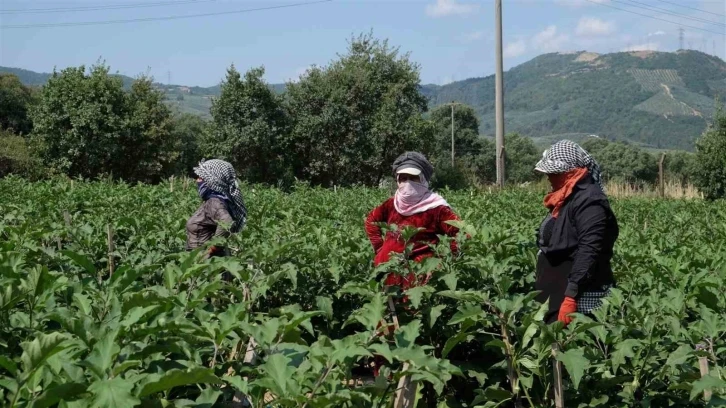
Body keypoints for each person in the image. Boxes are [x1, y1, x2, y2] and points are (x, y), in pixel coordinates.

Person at [534, 140, 619, 326]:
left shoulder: (590, 200)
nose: (548, 176)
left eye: (553, 172)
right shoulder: (567, 196)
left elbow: (589, 250)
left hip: (578, 295)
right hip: (557, 291)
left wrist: (571, 296)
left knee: (575, 347)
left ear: (570, 172)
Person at [365, 151, 462, 292]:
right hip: (387, 272)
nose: (408, 183)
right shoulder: (392, 204)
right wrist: (380, 249)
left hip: (417, 277)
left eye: (413, 178)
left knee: (412, 312)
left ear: (423, 180)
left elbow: (461, 234)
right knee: (387, 311)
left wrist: (440, 264)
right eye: (403, 178)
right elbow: (371, 221)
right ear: (397, 180)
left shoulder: (437, 209)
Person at [186, 159, 247, 259]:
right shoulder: (221, 200)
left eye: (201, 177)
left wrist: (210, 250)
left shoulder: (215, 202)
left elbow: (227, 222)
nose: (197, 180)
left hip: (205, 265)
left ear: (213, 179)